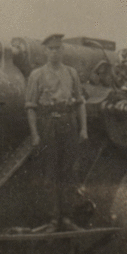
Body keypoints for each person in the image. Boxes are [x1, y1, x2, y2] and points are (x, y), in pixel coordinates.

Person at [24, 33, 88, 231]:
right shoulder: (37, 75)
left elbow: (79, 102)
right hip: (47, 123)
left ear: (62, 51)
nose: (54, 52)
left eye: (58, 48)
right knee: (49, 172)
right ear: (45, 51)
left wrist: (83, 128)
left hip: (68, 123)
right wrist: (35, 134)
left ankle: (67, 219)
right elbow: (30, 107)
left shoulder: (71, 73)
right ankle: (53, 220)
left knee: (69, 171)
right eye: (51, 49)